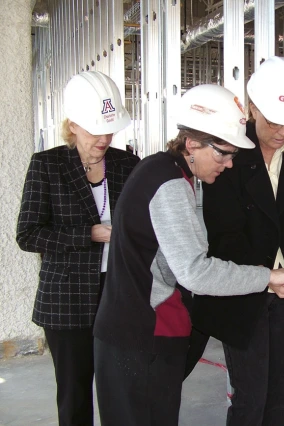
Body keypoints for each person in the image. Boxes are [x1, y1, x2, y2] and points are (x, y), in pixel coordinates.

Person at [92, 84, 284, 426]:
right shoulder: (170, 184)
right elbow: (196, 272)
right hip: (141, 336)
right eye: (222, 153)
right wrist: (268, 277)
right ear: (192, 143)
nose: (230, 163)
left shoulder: (169, 172)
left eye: (233, 153)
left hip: (138, 331)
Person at [191, 56, 284, 426]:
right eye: (273, 120)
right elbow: (223, 235)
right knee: (250, 398)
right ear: (252, 107)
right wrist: (267, 277)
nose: (283, 131)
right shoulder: (229, 151)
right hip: (244, 292)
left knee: (277, 398)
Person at [16, 71, 140, 426]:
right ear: (72, 125)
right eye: (94, 130)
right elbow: (28, 234)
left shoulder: (126, 164)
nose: (104, 138)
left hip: (118, 294)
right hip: (65, 300)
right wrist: (90, 234)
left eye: (109, 129)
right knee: (74, 395)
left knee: (122, 389)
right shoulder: (48, 166)